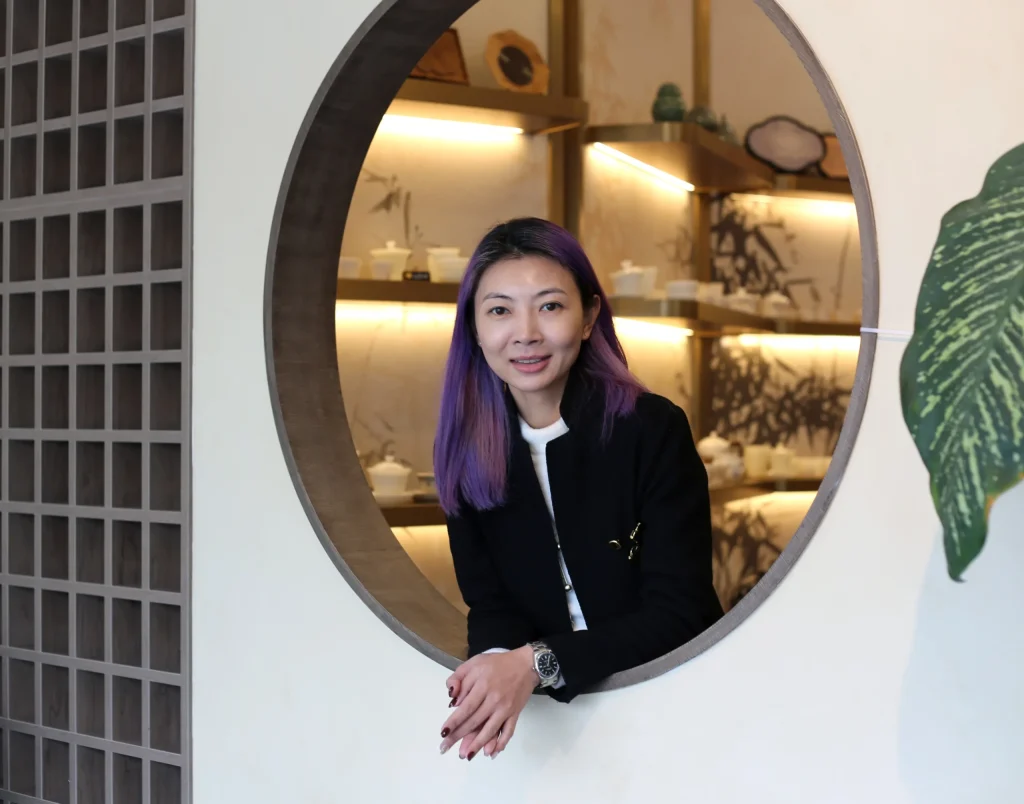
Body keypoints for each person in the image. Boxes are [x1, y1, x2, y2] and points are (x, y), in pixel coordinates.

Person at [433, 217, 723, 761]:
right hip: (552, 727)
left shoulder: (651, 428)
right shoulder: (467, 447)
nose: (525, 333)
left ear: (589, 316)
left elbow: (680, 613)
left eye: (549, 306)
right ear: (473, 328)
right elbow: (490, 603)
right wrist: (493, 672)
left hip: (673, 702)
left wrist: (534, 663)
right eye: (499, 310)